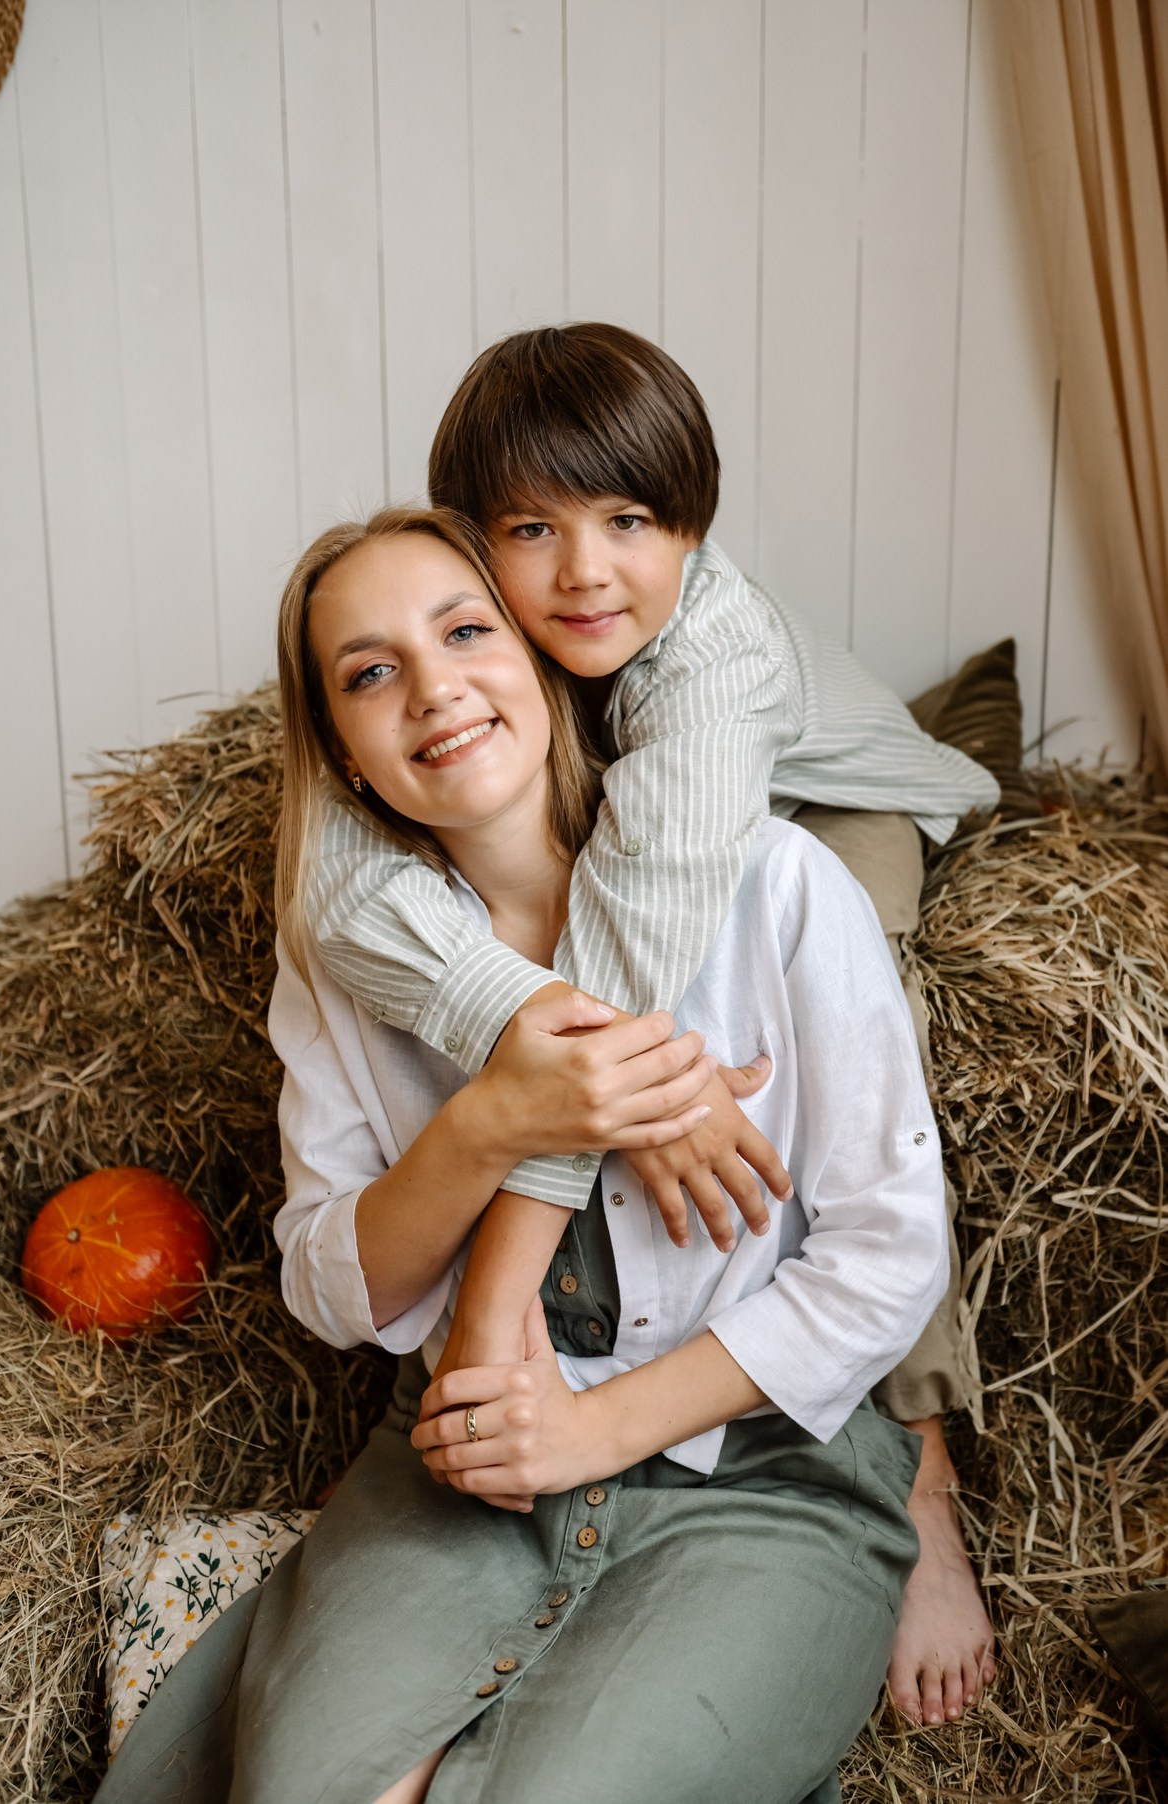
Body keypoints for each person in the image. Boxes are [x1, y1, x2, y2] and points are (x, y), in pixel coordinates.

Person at [94, 508, 950, 1804]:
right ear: (344, 751)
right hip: (461, 1461)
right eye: (371, 672)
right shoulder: (343, 960)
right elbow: (333, 1289)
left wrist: (588, 1430)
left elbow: (890, 1260)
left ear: (548, 660)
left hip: (761, 1471)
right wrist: (497, 1115)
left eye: (465, 631)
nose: (434, 689)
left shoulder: (774, 885)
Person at [309, 325, 997, 1723]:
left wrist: (526, 1255)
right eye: (530, 529)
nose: (583, 571)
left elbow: (648, 909)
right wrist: (646, 1087)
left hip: (847, 800)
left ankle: (919, 1470)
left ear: (691, 524)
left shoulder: (709, 663)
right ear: (471, 541)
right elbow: (326, 885)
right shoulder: (478, 654)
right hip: (664, 825)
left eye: (631, 520)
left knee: (850, 1020)